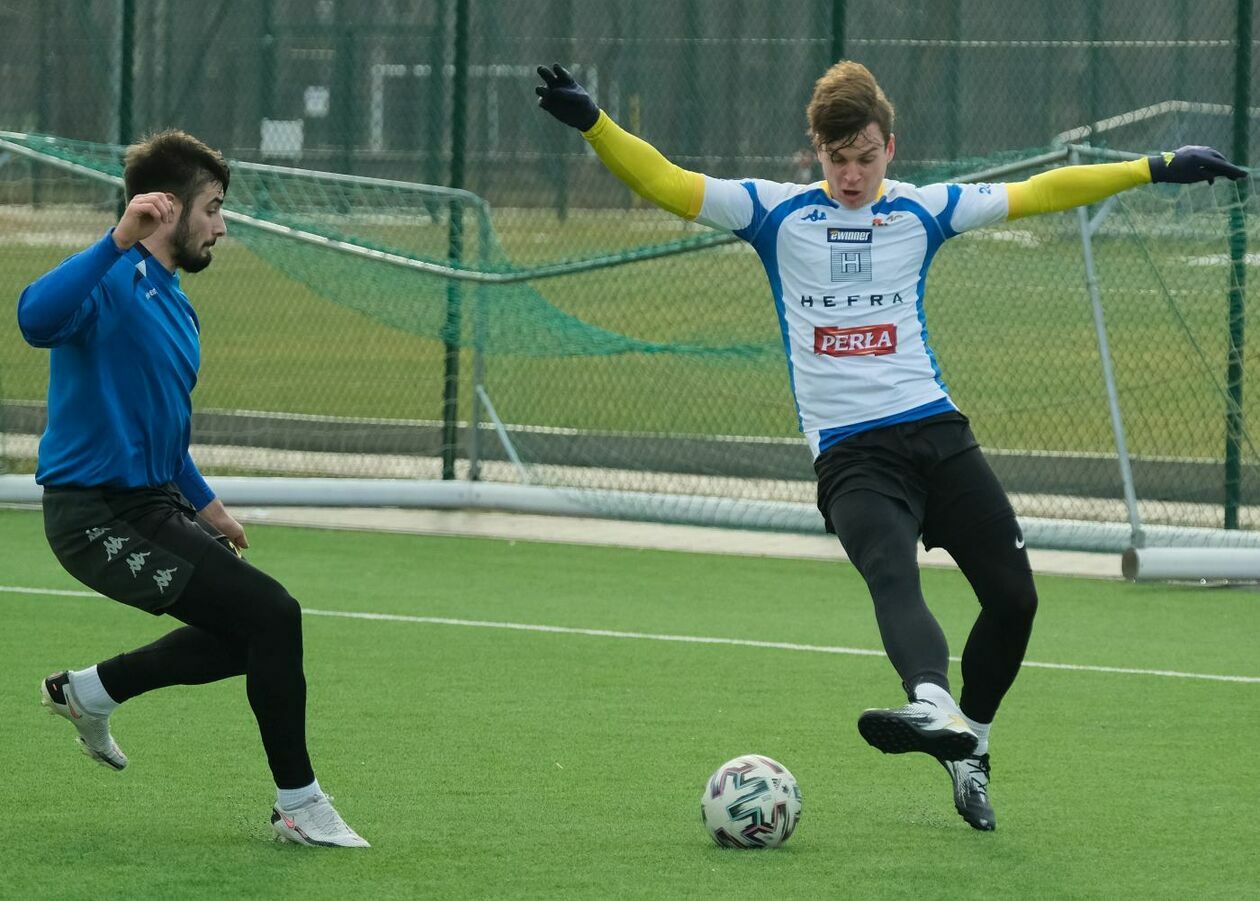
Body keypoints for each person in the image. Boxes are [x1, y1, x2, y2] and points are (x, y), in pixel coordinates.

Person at [535, 61, 1246, 831]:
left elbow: (1041, 191)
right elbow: (668, 182)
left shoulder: (924, 210)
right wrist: (595, 126)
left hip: (936, 430)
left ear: (889, 148)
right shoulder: (773, 214)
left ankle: (967, 742)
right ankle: (930, 701)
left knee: (1015, 598)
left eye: (865, 157)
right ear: (817, 151)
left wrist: (1155, 167)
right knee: (889, 569)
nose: (850, 174)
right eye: (837, 159)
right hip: (850, 451)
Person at [18, 129, 369, 848]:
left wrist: (210, 508)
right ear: (166, 209)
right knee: (274, 615)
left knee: (254, 634)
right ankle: (299, 806)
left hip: (154, 504)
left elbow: (166, 436)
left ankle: (88, 691)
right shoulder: (110, 276)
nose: (222, 223)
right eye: (211, 206)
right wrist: (116, 238)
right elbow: (34, 318)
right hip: (93, 514)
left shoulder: (176, 303)